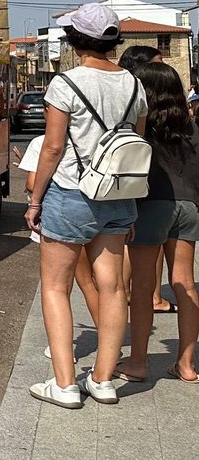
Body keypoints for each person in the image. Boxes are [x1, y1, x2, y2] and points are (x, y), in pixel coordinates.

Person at [26, 2, 144, 408]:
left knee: (56, 288)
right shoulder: (133, 84)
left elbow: (53, 147)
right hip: (117, 195)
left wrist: (35, 199)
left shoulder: (65, 84)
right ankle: (104, 379)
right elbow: (136, 146)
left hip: (71, 193)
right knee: (113, 287)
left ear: (75, 40)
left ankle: (64, 383)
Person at [117, 61, 199, 383]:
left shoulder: (143, 127)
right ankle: (186, 363)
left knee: (142, 286)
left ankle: (138, 362)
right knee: (185, 282)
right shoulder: (192, 129)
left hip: (151, 206)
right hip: (188, 207)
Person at [15, 136, 103, 362]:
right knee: (91, 284)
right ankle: (108, 344)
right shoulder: (93, 138)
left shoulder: (43, 142)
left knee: (57, 288)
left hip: (59, 217)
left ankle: (62, 352)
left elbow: (32, 183)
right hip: (97, 210)